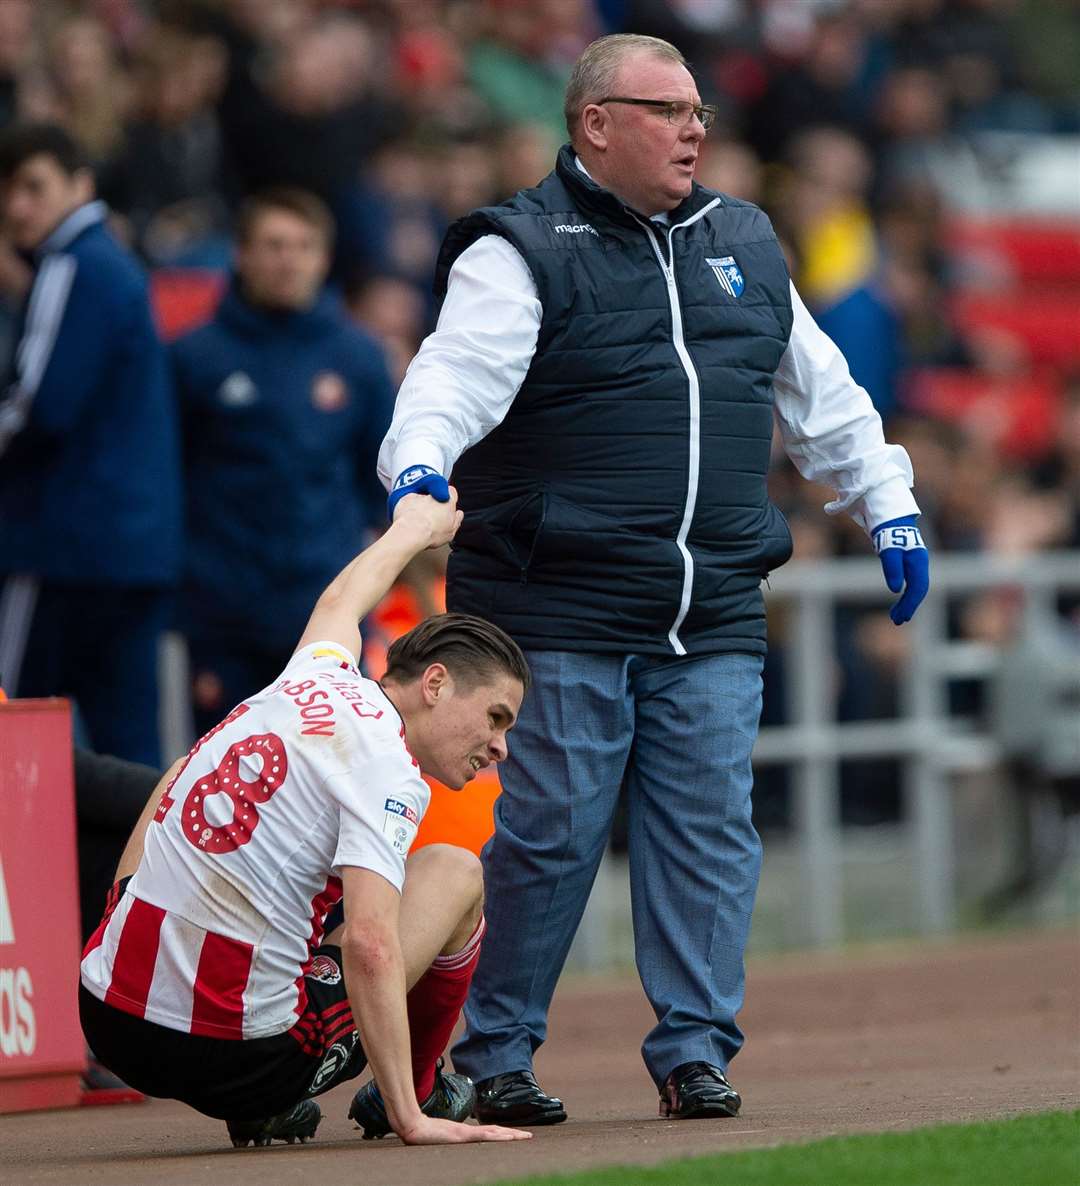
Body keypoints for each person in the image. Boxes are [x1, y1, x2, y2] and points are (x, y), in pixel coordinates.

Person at [378, 33, 931, 1125]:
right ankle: (489, 1052)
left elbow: (822, 390)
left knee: (710, 828)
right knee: (548, 830)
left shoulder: (747, 239)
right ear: (594, 123)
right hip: (555, 601)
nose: (695, 130)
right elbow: (449, 378)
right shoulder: (520, 246)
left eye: (699, 113)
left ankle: (694, 1049)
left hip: (713, 599)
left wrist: (890, 501)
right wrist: (420, 467)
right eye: (668, 110)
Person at [79, 489, 533, 1148]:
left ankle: (139, 954)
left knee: (180, 772)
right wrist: (412, 1123)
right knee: (456, 873)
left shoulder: (313, 673)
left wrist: (414, 526)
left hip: (107, 1016)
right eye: (496, 718)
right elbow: (368, 946)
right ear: (434, 685)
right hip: (240, 1058)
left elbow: (341, 600)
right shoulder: (390, 771)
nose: (501, 747)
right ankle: (418, 1090)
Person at [171, 187, 395, 736]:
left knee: (329, 771)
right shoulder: (193, 356)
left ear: (324, 258)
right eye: (273, 245)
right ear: (242, 254)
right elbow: (164, 478)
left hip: (326, 612)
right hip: (222, 613)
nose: (288, 259)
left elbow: (381, 475)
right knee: (219, 775)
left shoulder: (358, 357)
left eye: (303, 245)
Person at [0, 122, 180, 766]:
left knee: (15, 726)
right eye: (7, 190)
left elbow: (40, 406)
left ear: (80, 185)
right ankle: (133, 872)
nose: (17, 206)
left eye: (34, 187)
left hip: (60, 548)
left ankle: (15, 872)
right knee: (129, 748)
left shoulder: (71, 262)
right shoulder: (116, 266)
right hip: (133, 551)